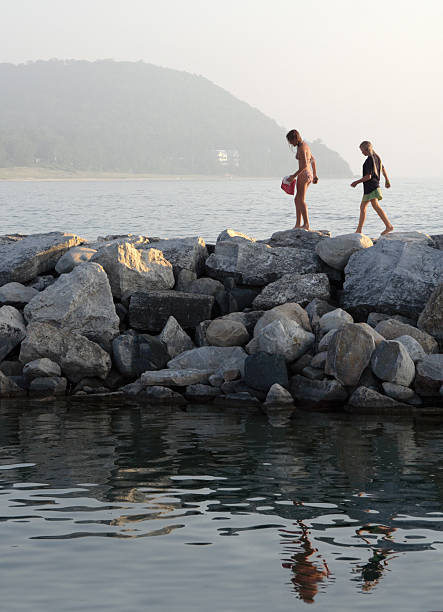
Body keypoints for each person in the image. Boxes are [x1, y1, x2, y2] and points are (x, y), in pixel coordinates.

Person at [351, 141, 394, 235]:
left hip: (371, 187)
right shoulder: (377, 157)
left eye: (362, 151)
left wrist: (356, 182)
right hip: (372, 186)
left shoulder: (369, 160)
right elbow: (383, 169)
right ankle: (359, 230)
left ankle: (388, 226)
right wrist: (387, 180)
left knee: (375, 206)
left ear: (366, 150)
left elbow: (368, 176)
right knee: (363, 207)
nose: (362, 153)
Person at [286, 130, 318, 230]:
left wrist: (293, 176)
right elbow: (313, 159)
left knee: (300, 199)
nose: (290, 143)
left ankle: (306, 224)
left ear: (295, 138)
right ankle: (298, 224)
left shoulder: (301, 147)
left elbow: (304, 165)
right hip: (308, 174)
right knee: (297, 199)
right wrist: (315, 175)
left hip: (304, 174)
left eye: (291, 141)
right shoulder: (305, 145)